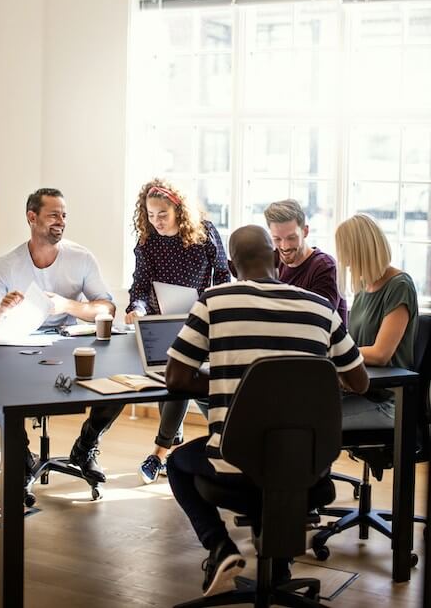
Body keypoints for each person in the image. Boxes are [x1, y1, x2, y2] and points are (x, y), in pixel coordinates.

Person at [165, 225, 369, 598]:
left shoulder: (214, 300)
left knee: (178, 462)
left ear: (229, 265)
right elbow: (359, 381)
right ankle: (279, 568)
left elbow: (176, 376)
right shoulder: (320, 308)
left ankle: (220, 548)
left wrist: (230, 382)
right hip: (308, 468)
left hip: (234, 469)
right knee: (274, 451)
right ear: (276, 258)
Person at [0, 187, 123, 485]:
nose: (61, 221)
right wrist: (0, 310)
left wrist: (67, 305)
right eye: (53, 214)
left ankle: (86, 445)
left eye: (64, 215)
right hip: (21, 347)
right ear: (32, 217)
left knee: (120, 380)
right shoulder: (8, 263)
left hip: (69, 347)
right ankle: (21, 453)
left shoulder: (80, 258)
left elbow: (107, 307)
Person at [125, 178, 230, 484]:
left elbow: (223, 276)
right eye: (151, 215)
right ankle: (178, 449)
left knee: (180, 380)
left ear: (179, 211)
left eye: (162, 215)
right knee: (173, 379)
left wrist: (210, 307)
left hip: (201, 321)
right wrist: (138, 310)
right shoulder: (148, 242)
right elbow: (140, 287)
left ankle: (160, 453)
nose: (156, 221)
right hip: (161, 322)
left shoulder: (205, 234)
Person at [335, 213, 418, 430]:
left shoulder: (399, 286)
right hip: (362, 392)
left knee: (310, 422)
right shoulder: (363, 289)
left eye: (347, 254)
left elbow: (381, 354)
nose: (345, 261)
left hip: (387, 403)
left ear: (360, 252)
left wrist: (336, 354)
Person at [264, 198, 348, 325]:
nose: (284, 246)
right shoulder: (272, 262)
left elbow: (317, 321)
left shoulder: (324, 266)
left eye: (292, 238)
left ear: (305, 231)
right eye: (277, 239)